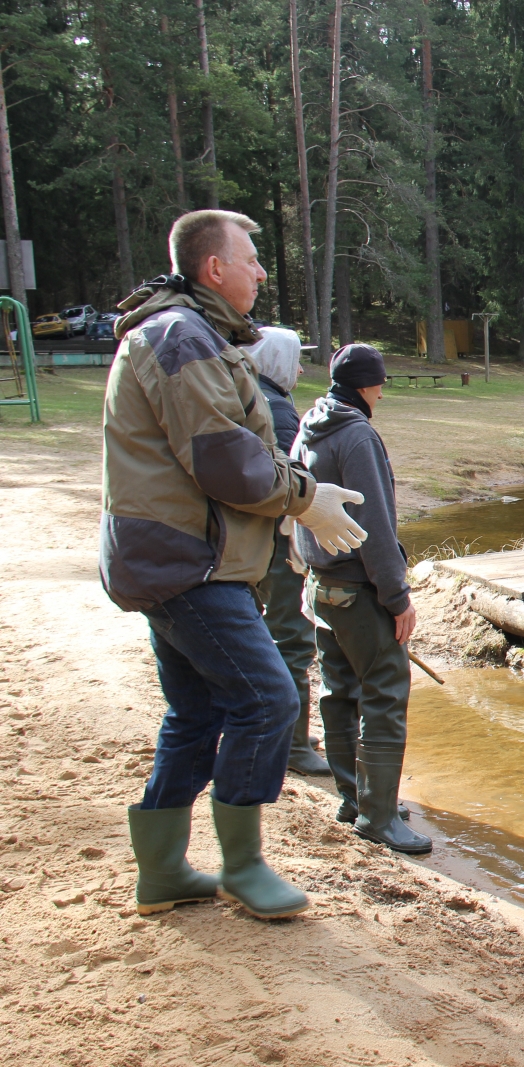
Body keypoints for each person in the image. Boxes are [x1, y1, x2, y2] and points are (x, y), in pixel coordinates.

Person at [103, 209, 367, 920]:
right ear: (212, 268)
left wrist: (292, 503)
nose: (259, 269)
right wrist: (303, 500)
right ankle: (243, 865)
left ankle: (160, 871)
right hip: (188, 563)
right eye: (250, 258)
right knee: (270, 698)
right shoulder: (181, 337)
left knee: (196, 712)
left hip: (177, 558)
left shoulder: (192, 333)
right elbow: (226, 461)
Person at [292, 344, 430, 854]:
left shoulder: (312, 422)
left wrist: (305, 566)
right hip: (358, 589)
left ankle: (355, 799)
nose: (381, 392)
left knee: (340, 689)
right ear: (367, 386)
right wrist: (398, 599)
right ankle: (377, 817)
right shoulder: (357, 435)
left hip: (321, 585)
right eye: (380, 383)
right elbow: (374, 527)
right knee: (385, 694)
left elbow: (300, 503)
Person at [247, 326, 330, 776]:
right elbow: (286, 484)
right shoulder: (274, 407)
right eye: (295, 359)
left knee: (270, 635)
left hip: (255, 543)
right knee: (292, 639)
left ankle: (284, 727)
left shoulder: (251, 394)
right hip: (277, 546)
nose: (299, 369)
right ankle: (293, 746)